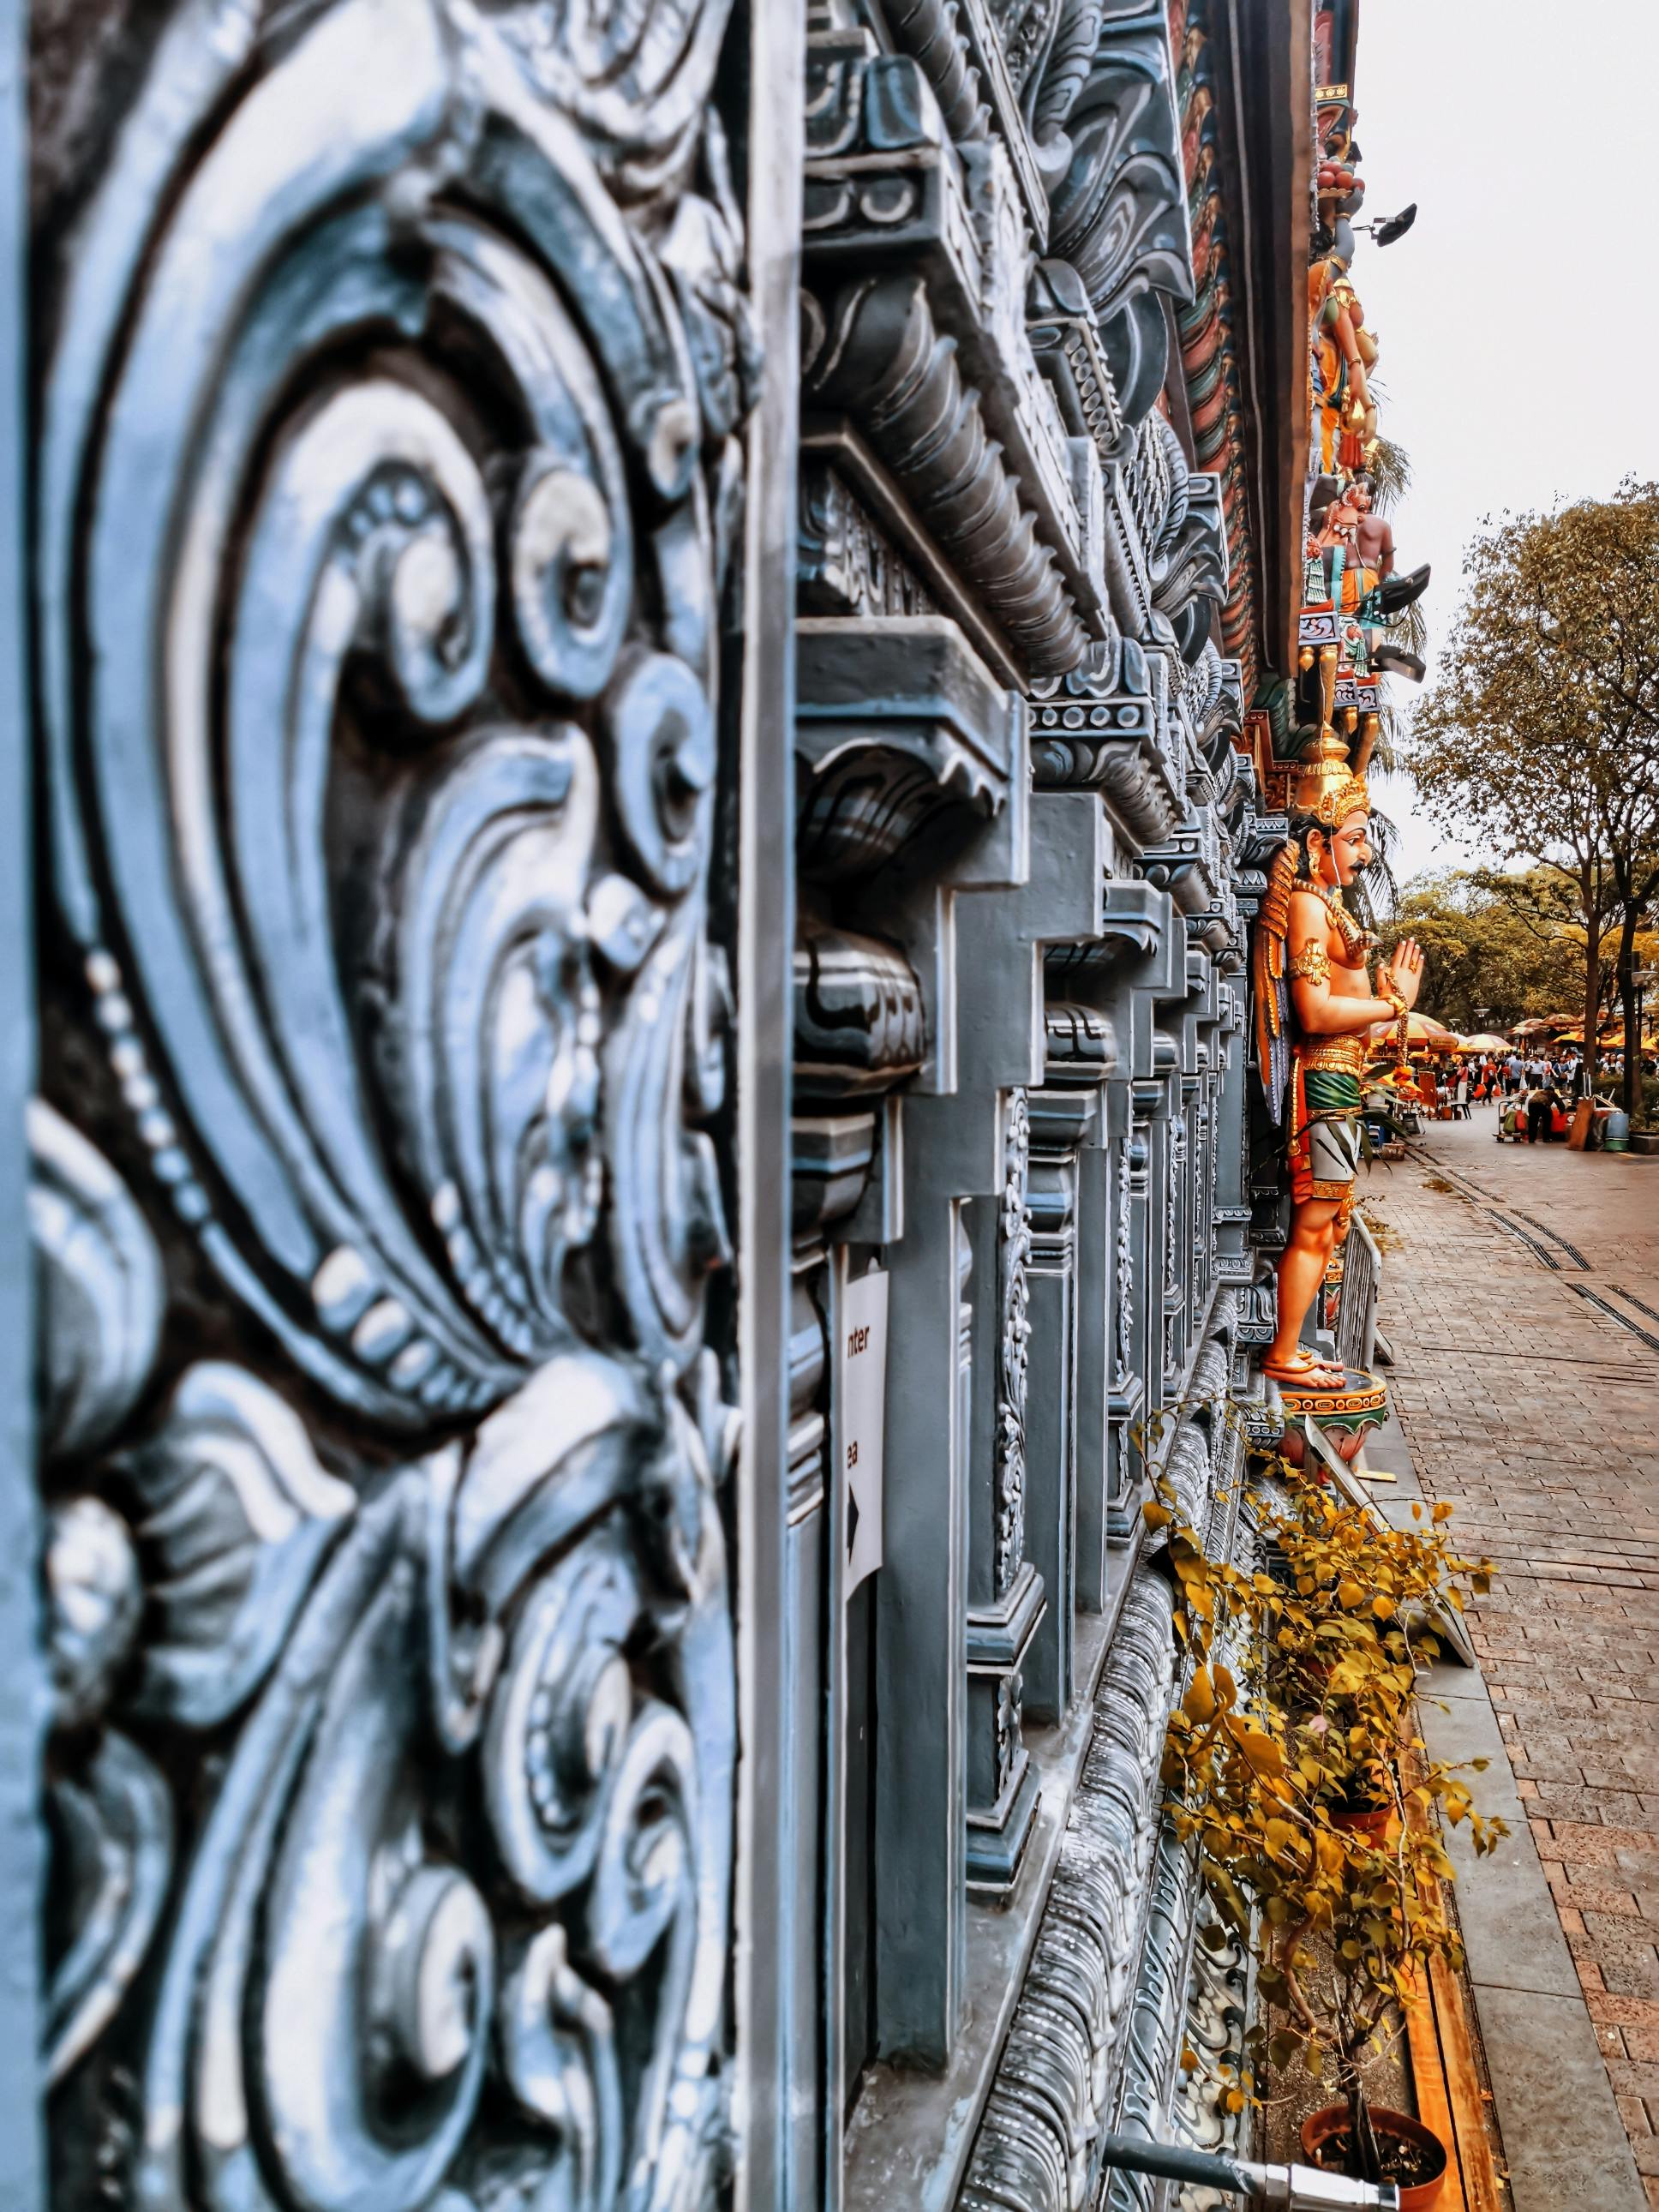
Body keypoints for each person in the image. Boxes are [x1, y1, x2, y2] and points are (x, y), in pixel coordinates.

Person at [1525, 1081, 1551, 1145]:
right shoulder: (1552, 1093)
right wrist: (1562, 1111)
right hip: (1541, 1104)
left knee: (1532, 1122)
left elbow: (1531, 1101)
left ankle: (1531, 1139)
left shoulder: (1538, 1092)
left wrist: (1529, 1112)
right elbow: (1558, 1103)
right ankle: (1546, 1138)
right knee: (1547, 1120)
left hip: (1532, 1105)